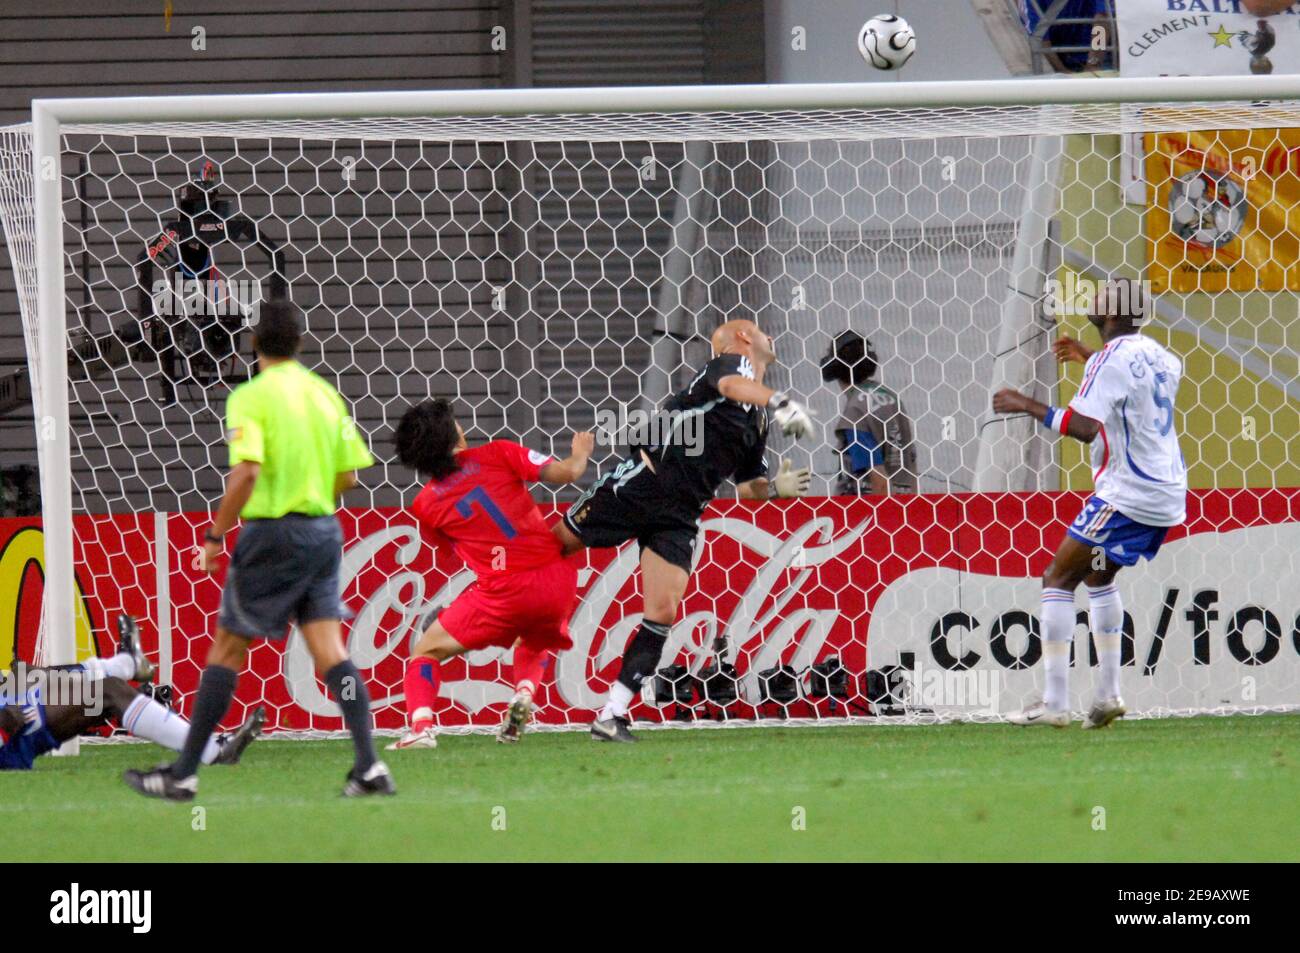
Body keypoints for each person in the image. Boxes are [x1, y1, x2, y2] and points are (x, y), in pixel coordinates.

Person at [124, 301, 390, 800]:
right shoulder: (324, 395)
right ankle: (369, 765)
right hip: (323, 531)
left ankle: (183, 773)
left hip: (272, 534)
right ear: (300, 344)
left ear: (253, 344)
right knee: (331, 653)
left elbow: (245, 472)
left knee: (227, 649)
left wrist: (215, 535)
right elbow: (350, 477)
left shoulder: (251, 396)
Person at [553, 318, 816, 742]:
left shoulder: (758, 421)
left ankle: (612, 713)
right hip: (643, 483)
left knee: (662, 613)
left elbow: (750, 489)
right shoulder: (730, 367)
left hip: (681, 514)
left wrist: (778, 490)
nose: (771, 336)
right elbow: (732, 386)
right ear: (745, 338)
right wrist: (783, 401)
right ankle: (491, 588)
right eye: (761, 330)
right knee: (552, 547)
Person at [992, 279, 1186, 728]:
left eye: (1102, 298)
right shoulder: (1163, 357)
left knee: (1057, 578)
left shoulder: (1109, 364)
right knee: (1099, 576)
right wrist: (1092, 358)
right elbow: (1129, 392)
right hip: (1167, 493)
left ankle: (1055, 704)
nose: (1093, 301)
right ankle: (1108, 695)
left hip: (1126, 494)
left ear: (1114, 314)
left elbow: (1082, 428)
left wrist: (1025, 403)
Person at [388, 400, 594, 749]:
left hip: (503, 591)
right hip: (556, 579)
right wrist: (580, 452)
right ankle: (524, 693)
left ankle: (421, 728)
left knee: (426, 651)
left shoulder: (425, 505)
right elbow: (568, 474)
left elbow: (454, 550)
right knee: (533, 639)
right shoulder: (499, 453)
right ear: (456, 433)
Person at [2, 615, 262, 770]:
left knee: (28, 677)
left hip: (13, 705)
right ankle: (211, 751)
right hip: (11, 733)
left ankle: (128, 669)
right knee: (110, 692)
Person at [820, 330, 917, 495]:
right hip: (905, 503)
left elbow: (878, 478)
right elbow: (910, 457)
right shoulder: (890, 397)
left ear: (834, 369)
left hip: (868, 509)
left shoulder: (855, 412)